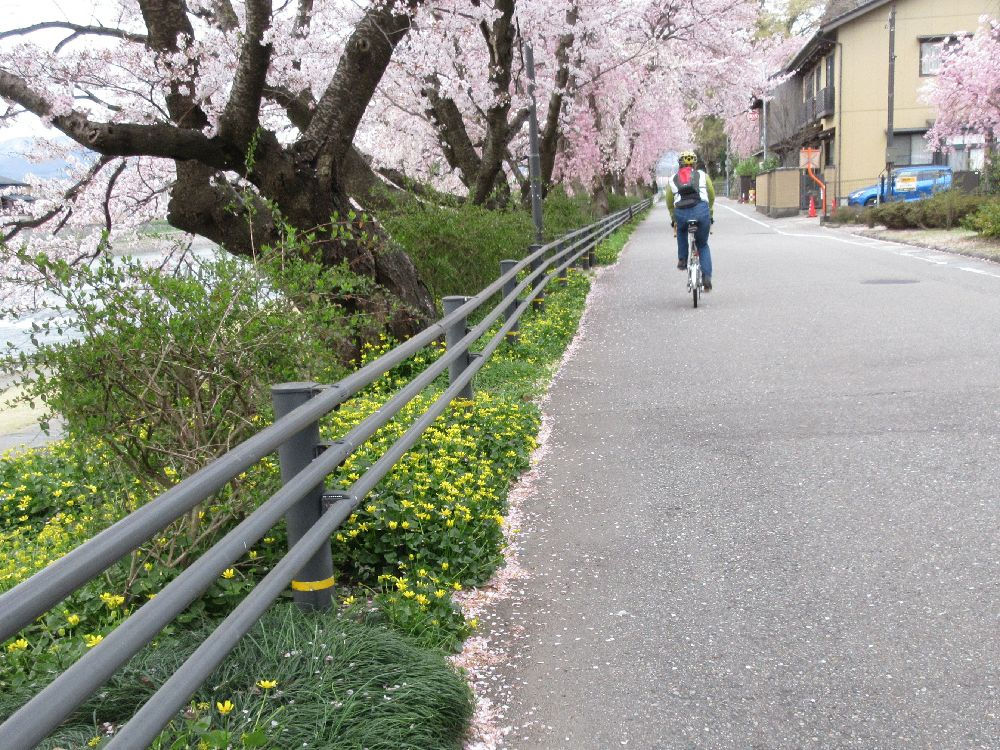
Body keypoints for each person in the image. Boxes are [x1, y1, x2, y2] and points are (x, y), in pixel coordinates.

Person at [665, 150, 715, 291]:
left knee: (681, 230)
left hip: (681, 212)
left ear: (680, 164)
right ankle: (706, 277)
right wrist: (709, 214)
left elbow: (669, 202)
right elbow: (711, 196)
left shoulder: (673, 179)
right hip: (702, 212)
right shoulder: (703, 176)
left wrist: (674, 219)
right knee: (703, 245)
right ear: (694, 163)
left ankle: (682, 259)